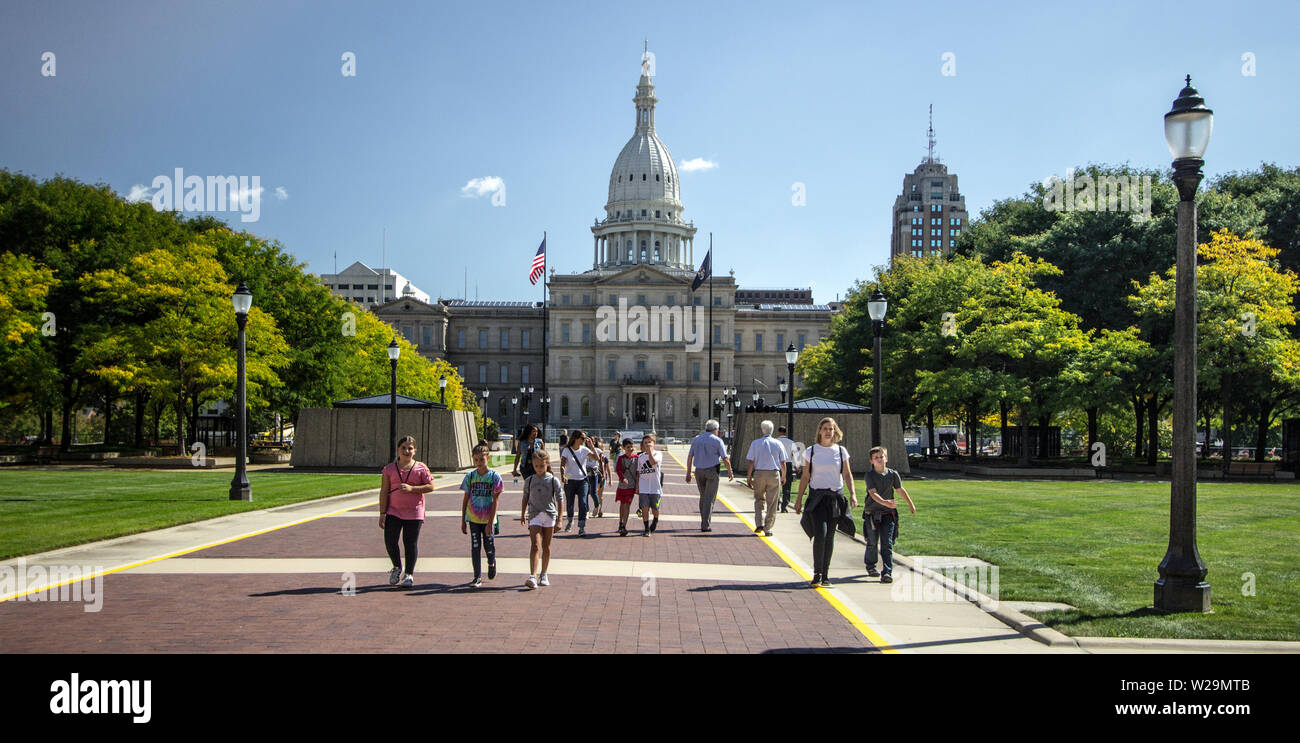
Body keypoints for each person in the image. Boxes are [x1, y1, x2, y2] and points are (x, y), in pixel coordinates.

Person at [793, 417, 858, 588]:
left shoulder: (841, 451)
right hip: (817, 499)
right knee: (820, 535)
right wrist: (799, 500)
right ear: (820, 431)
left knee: (830, 536)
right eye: (825, 428)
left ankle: (826, 575)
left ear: (835, 431)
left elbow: (847, 474)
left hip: (835, 498)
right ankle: (817, 574)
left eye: (831, 429)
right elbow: (805, 476)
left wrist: (852, 494)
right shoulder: (811, 451)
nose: (828, 432)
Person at [379, 435, 435, 588]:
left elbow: (430, 486)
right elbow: (384, 491)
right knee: (390, 540)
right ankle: (397, 567)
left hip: (414, 511)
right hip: (393, 511)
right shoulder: (389, 469)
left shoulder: (421, 468)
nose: (406, 451)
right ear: (398, 449)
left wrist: (412, 489)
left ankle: (409, 574)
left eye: (410, 448)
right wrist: (382, 512)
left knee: (410, 543)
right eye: (403, 447)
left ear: (415, 451)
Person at [863, 446, 916, 584]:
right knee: (872, 542)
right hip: (872, 514)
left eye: (882, 457)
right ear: (871, 461)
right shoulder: (870, 475)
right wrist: (885, 502)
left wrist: (910, 503)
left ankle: (887, 572)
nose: (880, 460)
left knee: (887, 543)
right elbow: (872, 493)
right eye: (876, 458)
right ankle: (871, 566)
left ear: (886, 458)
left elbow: (899, 489)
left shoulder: (893, 474)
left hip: (888, 514)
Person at [461, 443, 504, 587]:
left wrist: (491, 522)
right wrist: (463, 520)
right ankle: (476, 576)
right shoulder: (470, 476)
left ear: (488, 458)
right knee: (475, 546)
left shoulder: (494, 477)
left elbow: (496, 500)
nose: (479, 463)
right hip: (473, 518)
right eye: (476, 460)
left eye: (482, 459)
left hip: (488, 518)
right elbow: (466, 498)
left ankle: (491, 562)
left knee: (488, 545)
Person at [520, 448, 563, 589]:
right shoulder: (529, 480)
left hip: (549, 515)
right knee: (535, 545)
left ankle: (544, 573)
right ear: (533, 464)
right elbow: (525, 497)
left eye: (542, 465)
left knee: (546, 546)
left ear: (547, 464)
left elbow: (560, 499)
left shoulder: (553, 480)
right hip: (534, 515)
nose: (539, 468)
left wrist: (560, 519)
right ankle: (533, 575)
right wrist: (522, 514)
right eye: (536, 465)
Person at [685, 420, 734, 532]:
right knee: (709, 498)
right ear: (715, 429)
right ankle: (705, 524)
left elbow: (690, 456)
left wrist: (688, 473)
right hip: (712, 471)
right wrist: (730, 472)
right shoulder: (717, 441)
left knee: (703, 496)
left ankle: (704, 519)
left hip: (699, 471)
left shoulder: (697, 439)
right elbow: (725, 458)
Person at [745, 420, 787, 537]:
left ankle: (759, 523)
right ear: (772, 430)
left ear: (762, 430)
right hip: (773, 473)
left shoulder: (755, 443)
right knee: (772, 502)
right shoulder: (778, 444)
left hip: (759, 473)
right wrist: (783, 476)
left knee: (758, 499)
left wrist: (749, 477)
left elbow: (751, 462)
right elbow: (783, 462)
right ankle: (767, 528)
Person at [559, 430, 595, 537]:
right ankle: (570, 521)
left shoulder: (584, 449)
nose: (584, 440)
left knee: (583, 502)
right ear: (576, 438)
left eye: (585, 438)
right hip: (570, 479)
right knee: (570, 503)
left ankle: (582, 527)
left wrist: (592, 446)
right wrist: (563, 475)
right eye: (582, 438)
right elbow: (562, 465)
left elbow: (597, 458)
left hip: (582, 479)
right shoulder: (567, 450)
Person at [635, 434, 663, 537]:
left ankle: (655, 520)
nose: (647, 444)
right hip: (644, 486)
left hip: (655, 487)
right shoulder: (640, 457)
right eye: (645, 443)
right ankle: (646, 528)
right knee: (644, 507)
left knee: (655, 508)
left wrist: (650, 451)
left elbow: (652, 462)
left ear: (654, 443)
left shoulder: (658, 454)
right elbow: (638, 473)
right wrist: (637, 486)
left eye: (649, 442)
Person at [613, 438, 639, 536]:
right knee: (622, 504)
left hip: (631, 485)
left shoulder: (636, 458)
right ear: (624, 448)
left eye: (632, 447)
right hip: (622, 485)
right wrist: (622, 478)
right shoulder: (621, 458)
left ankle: (624, 525)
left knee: (627, 504)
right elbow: (618, 469)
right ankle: (620, 521)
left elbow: (638, 473)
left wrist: (637, 485)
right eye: (628, 447)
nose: (631, 449)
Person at [774, 425, 796, 512]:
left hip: (777, 464)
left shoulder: (775, 441)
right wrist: (797, 466)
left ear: (779, 432)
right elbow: (796, 455)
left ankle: (776, 504)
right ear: (785, 432)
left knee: (776, 485)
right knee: (787, 486)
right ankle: (784, 506)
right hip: (788, 464)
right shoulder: (791, 442)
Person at [584, 435, 605, 519]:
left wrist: (603, 474)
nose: (590, 442)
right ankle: (586, 511)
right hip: (585, 473)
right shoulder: (583, 450)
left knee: (593, 492)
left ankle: (597, 506)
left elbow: (601, 462)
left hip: (594, 473)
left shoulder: (598, 450)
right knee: (585, 493)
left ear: (594, 442)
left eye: (592, 440)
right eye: (588, 440)